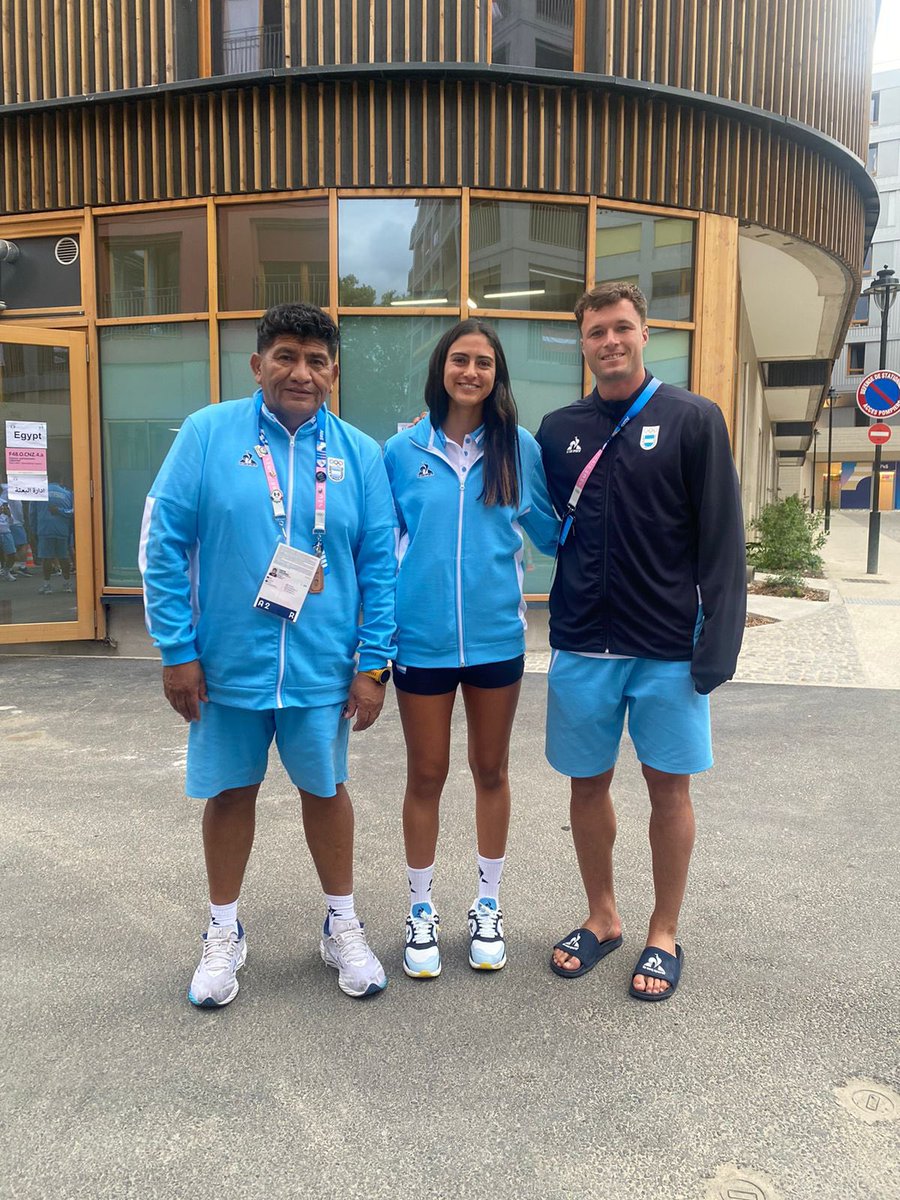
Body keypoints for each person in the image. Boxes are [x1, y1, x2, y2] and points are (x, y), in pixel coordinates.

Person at [140, 303, 397, 1007]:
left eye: (316, 361)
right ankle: (223, 932)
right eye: (285, 356)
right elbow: (162, 545)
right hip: (225, 664)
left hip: (323, 665)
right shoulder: (207, 434)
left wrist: (373, 665)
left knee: (326, 790)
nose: (300, 372)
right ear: (257, 365)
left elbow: (381, 566)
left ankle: (341, 923)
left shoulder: (360, 454)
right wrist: (176, 649)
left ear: (334, 373)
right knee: (230, 792)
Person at [536, 282, 746, 1001]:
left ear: (644, 333)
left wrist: (719, 645)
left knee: (669, 789)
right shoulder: (558, 428)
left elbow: (723, 541)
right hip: (582, 646)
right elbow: (536, 522)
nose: (610, 342)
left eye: (621, 328)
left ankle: (663, 930)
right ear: (583, 343)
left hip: (667, 648)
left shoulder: (693, 418)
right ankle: (602, 916)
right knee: (586, 785)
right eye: (596, 332)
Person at [383, 319, 559, 978]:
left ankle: (487, 903)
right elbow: (377, 547)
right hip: (421, 643)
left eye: (484, 363)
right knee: (425, 775)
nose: (471, 372)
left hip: (495, 639)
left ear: (497, 375)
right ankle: (420, 909)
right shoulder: (401, 451)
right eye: (461, 360)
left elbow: (550, 529)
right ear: (442, 369)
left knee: (491, 771)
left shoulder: (520, 449)